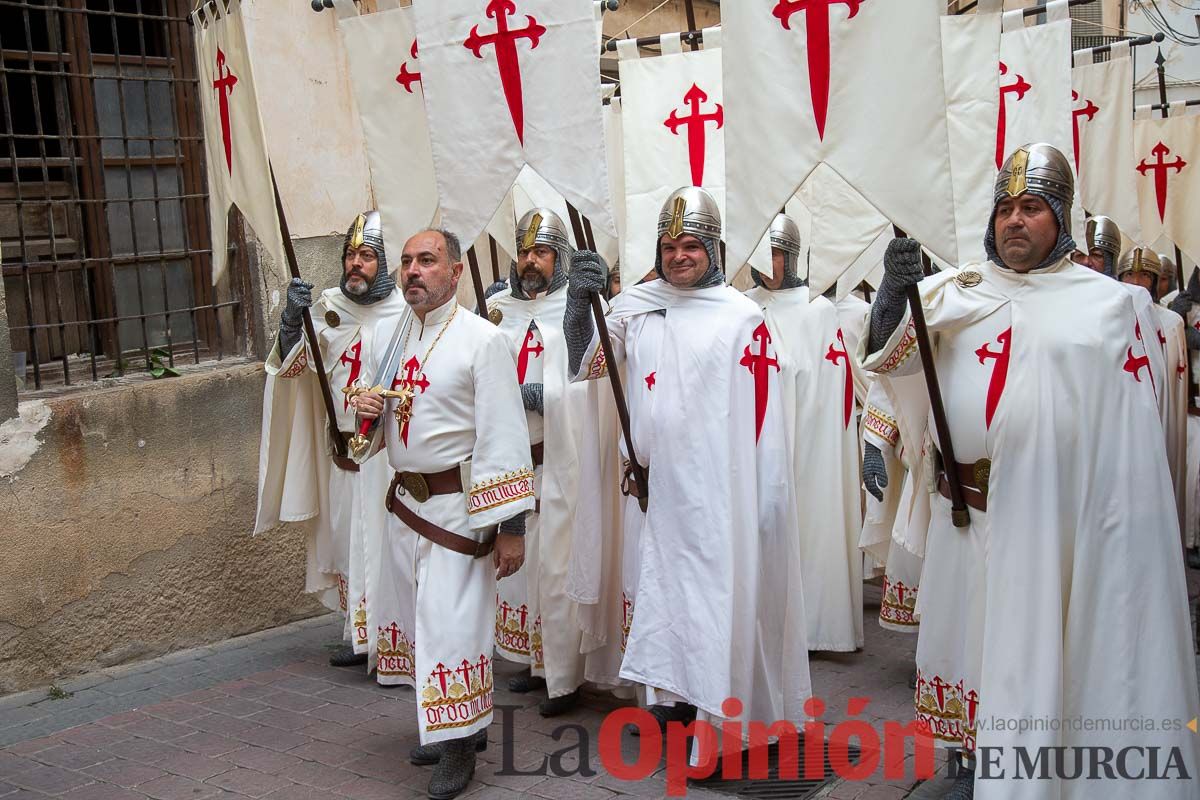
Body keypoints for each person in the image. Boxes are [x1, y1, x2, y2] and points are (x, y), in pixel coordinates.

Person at [861, 142, 1199, 799]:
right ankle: (973, 770)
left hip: (1053, 527)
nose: (1015, 220)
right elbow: (888, 357)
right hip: (965, 520)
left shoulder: (1108, 309)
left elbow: (1127, 441)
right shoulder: (951, 295)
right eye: (1006, 208)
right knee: (970, 651)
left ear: (1062, 219)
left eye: (1033, 208)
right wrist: (894, 290)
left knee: (1044, 655)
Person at [564, 187, 811, 750]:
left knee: (707, 605)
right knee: (662, 601)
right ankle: (672, 705)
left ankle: (717, 718)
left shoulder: (742, 318)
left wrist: (766, 497)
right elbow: (589, 363)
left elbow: (764, 417)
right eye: (670, 245)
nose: (679, 256)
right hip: (649, 494)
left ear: (715, 250)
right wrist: (582, 307)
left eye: (692, 245)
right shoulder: (637, 307)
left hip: (715, 496)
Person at [351, 228, 535, 800]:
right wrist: (364, 409)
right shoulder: (392, 333)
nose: (413, 271)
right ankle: (449, 725)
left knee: (453, 625)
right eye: (406, 262)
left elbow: (505, 435)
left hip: (458, 510)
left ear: (455, 273)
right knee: (418, 622)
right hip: (404, 505)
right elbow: (372, 433)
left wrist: (509, 528)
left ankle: (459, 750)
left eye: (426, 261)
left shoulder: (483, 341)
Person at [254, 210, 405, 678]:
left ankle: (391, 640)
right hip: (339, 453)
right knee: (347, 544)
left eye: (366, 256)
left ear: (384, 263)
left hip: (384, 456)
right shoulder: (326, 308)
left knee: (382, 549)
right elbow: (293, 368)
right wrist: (290, 323)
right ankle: (360, 635)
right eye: (350, 255)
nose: (355, 264)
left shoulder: (405, 315)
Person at [486, 208, 591, 716]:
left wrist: (539, 394)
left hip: (557, 459)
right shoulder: (496, 308)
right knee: (521, 573)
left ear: (561, 258)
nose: (530, 260)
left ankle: (563, 676)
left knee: (555, 568)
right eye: (524, 250)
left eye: (542, 251)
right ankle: (534, 662)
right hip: (511, 460)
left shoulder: (580, 308)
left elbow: (593, 386)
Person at [744, 213, 863, 652]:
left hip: (808, 441)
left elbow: (827, 388)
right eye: (759, 250)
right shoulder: (740, 305)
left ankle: (813, 626)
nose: (765, 261)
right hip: (754, 439)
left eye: (774, 251)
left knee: (810, 521)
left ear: (791, 257)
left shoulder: (818, 310)